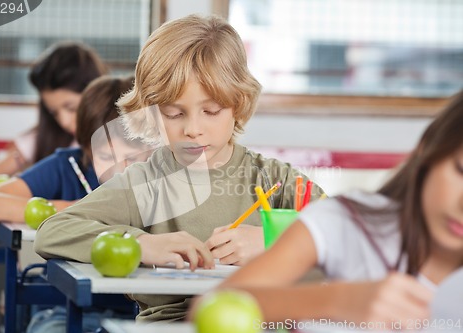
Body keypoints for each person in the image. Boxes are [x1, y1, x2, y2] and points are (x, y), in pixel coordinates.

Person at [33, 14, 325, 322]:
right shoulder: (145, 183)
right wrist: (144, 245)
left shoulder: (274, 179)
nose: (193, 129)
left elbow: (353, 240)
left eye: (211, 110)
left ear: (238, 103)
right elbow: (52, 232)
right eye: (174, 114)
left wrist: (271, 241)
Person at [209, 90, 463, 330]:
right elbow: (212, 305)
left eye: (210, 111)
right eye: (461, 171)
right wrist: (337, 300)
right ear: (428, 149)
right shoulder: (345, 222)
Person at [0, 75, 152, 224]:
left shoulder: (166, 172)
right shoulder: (67, 166)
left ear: (153, 146)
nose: (118, 171)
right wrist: (72, 208)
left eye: (132, 158)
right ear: (86, 147)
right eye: (104, 156)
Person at [0, 41, 108, 198]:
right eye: (54, 113)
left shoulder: (116, 140)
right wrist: (6, 187)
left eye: (71, 108)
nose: (64, 121)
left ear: (95, 95)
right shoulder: (37, 141)